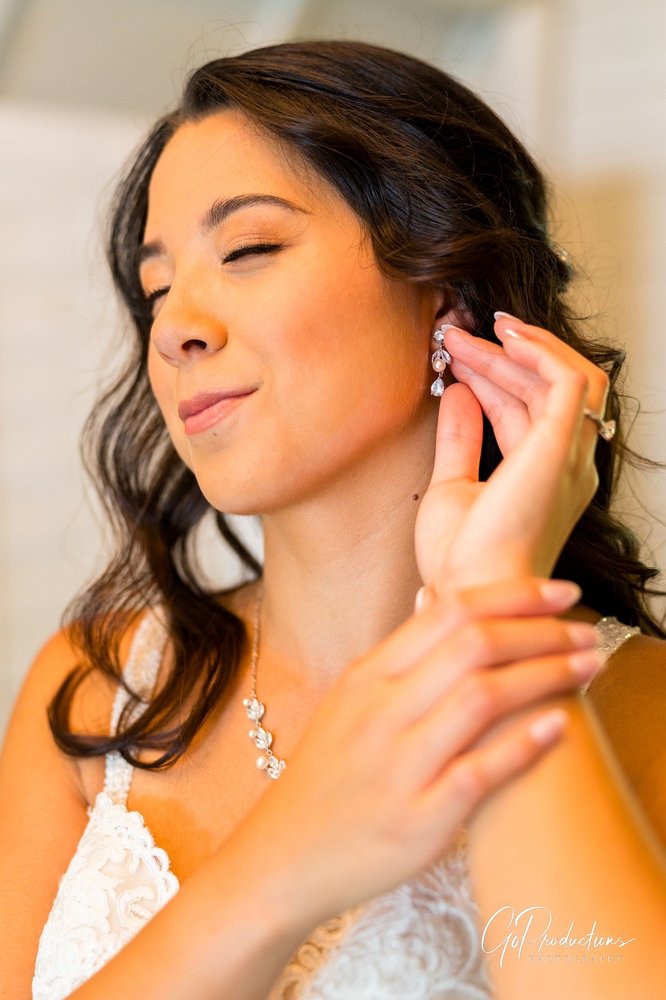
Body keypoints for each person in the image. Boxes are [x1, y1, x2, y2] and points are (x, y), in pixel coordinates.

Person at [0, 39, 664, 1000]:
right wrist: (290, 858)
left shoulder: (639, 710)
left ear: (447, 291)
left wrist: (491, 595)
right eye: (156, 290)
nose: (175, 328)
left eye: (248, 250)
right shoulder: (97, 692)